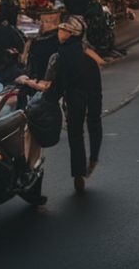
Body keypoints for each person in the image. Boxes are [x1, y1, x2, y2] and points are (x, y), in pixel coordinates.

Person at [44, 16, 103, 193]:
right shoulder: (87, 52)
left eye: (63, 30)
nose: (60, 33)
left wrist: (48, 99)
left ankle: (79, 175)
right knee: (94, 124)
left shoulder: (63, 54)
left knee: (75, 134)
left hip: (74, 96)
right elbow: (96, 77)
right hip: (93, 93)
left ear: (72, 33)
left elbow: (60, 82)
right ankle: (93, 159)